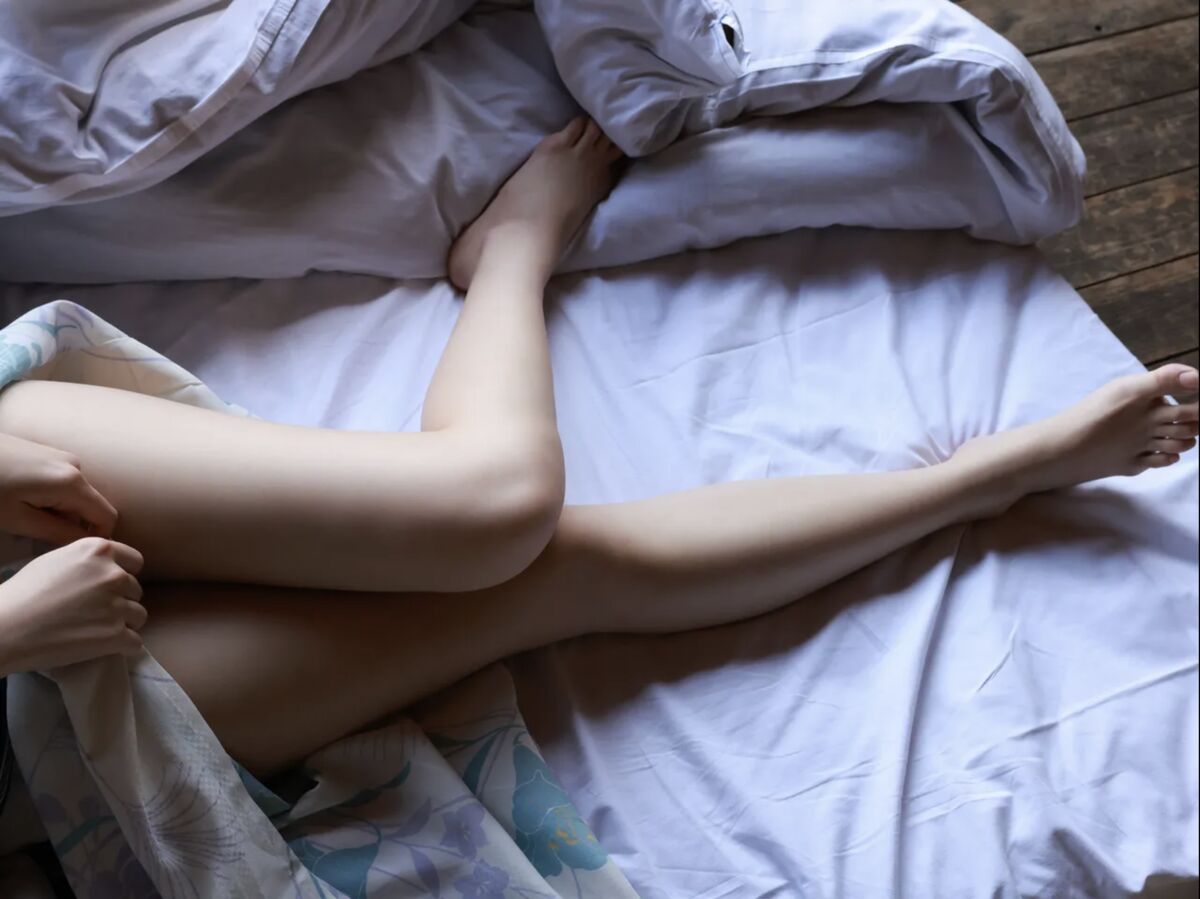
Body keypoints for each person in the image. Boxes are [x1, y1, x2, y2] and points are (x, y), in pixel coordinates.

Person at [0, 118, 1197, 786]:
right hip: (26, 731)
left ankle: (511, 255)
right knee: (561, 571)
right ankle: (989, 476)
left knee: (488, 507)